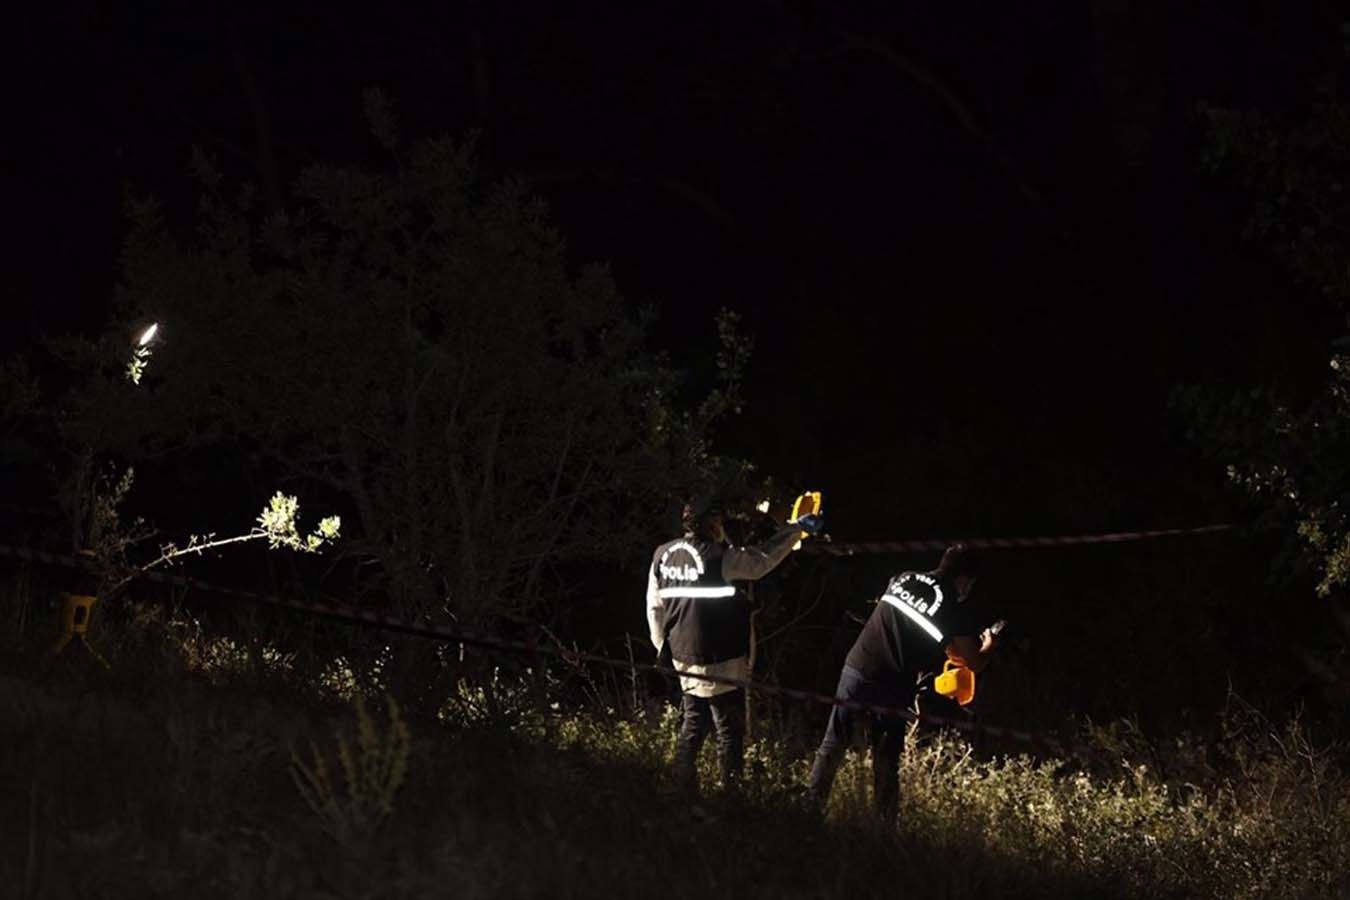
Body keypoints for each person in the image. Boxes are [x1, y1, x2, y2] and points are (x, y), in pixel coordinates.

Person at [806, 543, 998, 821]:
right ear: (965, 580)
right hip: (892, 685)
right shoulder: (954, 612)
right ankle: (884, 829)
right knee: (885, 759)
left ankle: (809, 811)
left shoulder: (902, 577)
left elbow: (918, 626)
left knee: (833, 742)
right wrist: (989, 645)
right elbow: (973, 662)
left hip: (858, 666)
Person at [647, 494, 823, 790]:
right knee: (728, 730)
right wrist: (796, 531)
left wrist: (664, 649)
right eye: (718, 519)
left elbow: (654, 608)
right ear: (710, 522)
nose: (721, 526)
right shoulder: (720, 557)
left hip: (682, 656)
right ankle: (731, 797)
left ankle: (680, 790)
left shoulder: (661, 555)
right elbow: (760, 561)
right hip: (721, 659)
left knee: (693, 721)